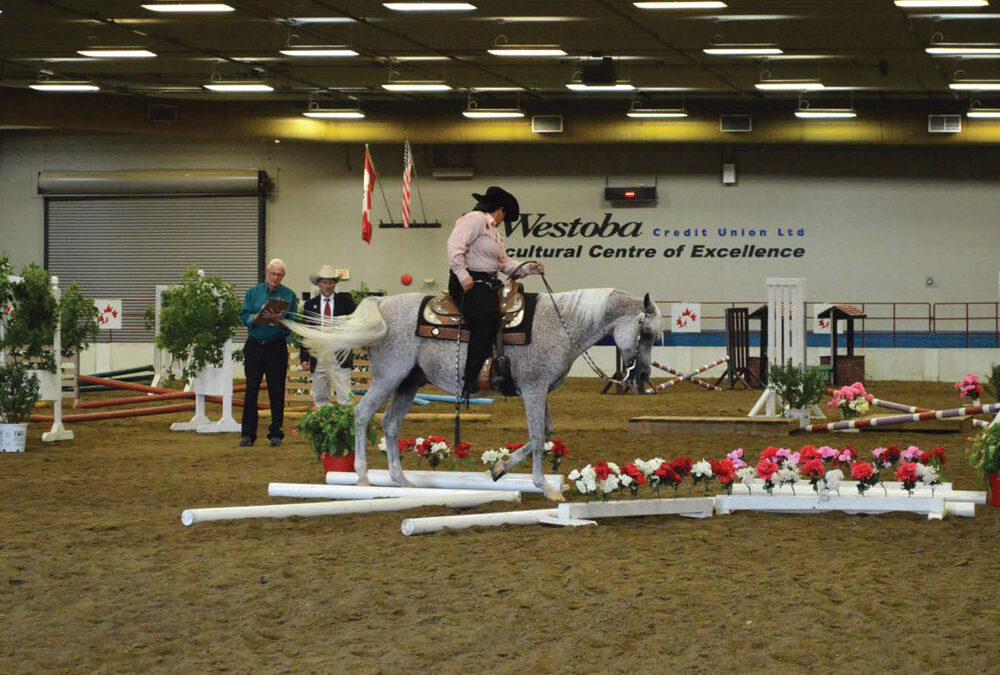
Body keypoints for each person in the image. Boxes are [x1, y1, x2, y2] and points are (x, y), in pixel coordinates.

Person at [446, 185, 544, 398]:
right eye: (505, 216)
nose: (503, 220)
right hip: (469, 281)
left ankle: (498, 369)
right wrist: (462, 275)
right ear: (500, 210)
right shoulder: (475, 219)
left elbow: (504, 264)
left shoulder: (495, 234)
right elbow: (454, 245)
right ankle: (470, 378)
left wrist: (529, 268)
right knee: (486, 318)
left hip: (487, 283)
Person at [239, 258, 298, 447]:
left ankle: (275, 433)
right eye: (273, 274)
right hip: (255, 345)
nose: (276, 278)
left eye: (279, 275)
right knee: (251, 390)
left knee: (277, 390)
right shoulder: (253, 293)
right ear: (267, 273)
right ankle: (248, 434)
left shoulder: (289, 295)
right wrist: (256, 317)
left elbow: (293, 323)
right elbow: (243, 316)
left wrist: (280, 320)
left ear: (283, 276)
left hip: (276, 346)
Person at [300, 264, 357, 407]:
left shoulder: (346, 302)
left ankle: (345, 420)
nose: (328, 286)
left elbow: (354, 324)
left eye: (331, 282)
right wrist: (304, 357)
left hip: (340, 354)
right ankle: (323, 419)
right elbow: (306, 332)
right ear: (319, 284)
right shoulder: (310, 305)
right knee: (319, 396)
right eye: (324, 282)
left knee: (345, 396)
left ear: (335, 284)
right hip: (318, 355)